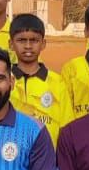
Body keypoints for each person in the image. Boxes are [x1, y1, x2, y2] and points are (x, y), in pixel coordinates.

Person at [9, 13, 73, 146]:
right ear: (11, 44)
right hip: (11, 160)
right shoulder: (3, 81)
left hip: (47, 161)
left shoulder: (57, 82)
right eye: (21, 40)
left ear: (43, 44)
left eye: (34, 40)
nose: (28, 46)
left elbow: (66, 129)